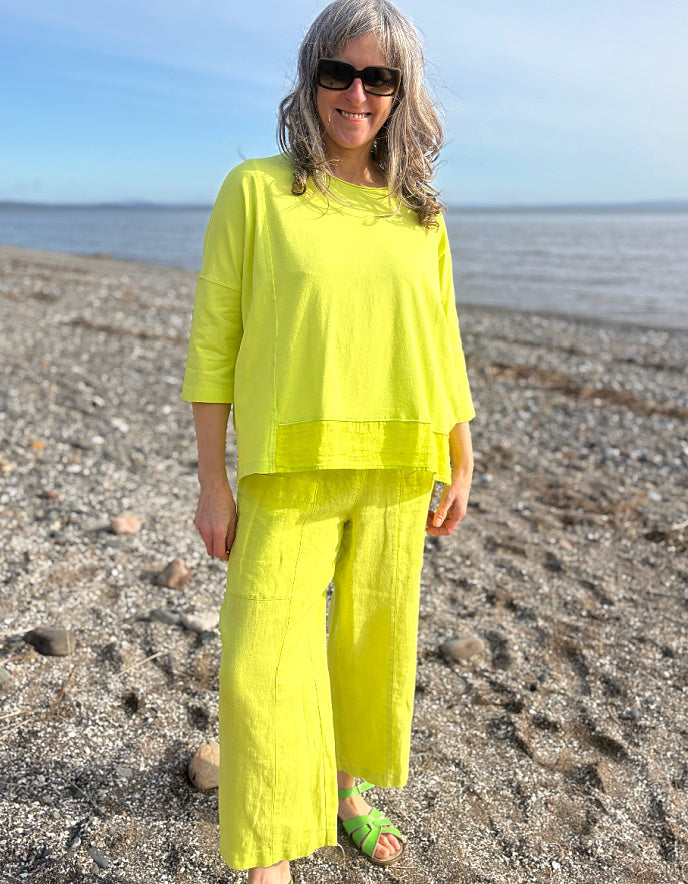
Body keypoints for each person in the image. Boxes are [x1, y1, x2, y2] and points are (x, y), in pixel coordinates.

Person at [181, 0, 475, 881]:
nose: (356, 93)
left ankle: (346, 795)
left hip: (397, 464)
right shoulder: (259, 191)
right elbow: (213, 338)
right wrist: (211, 480)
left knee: (368, 647)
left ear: (400, 93)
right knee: (262, 662)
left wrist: (460, 453)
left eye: (378, 78)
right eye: (338, 72)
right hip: (288, 469)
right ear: (310, 79)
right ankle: (270, 849)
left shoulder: (420, 211)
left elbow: (442, 337)